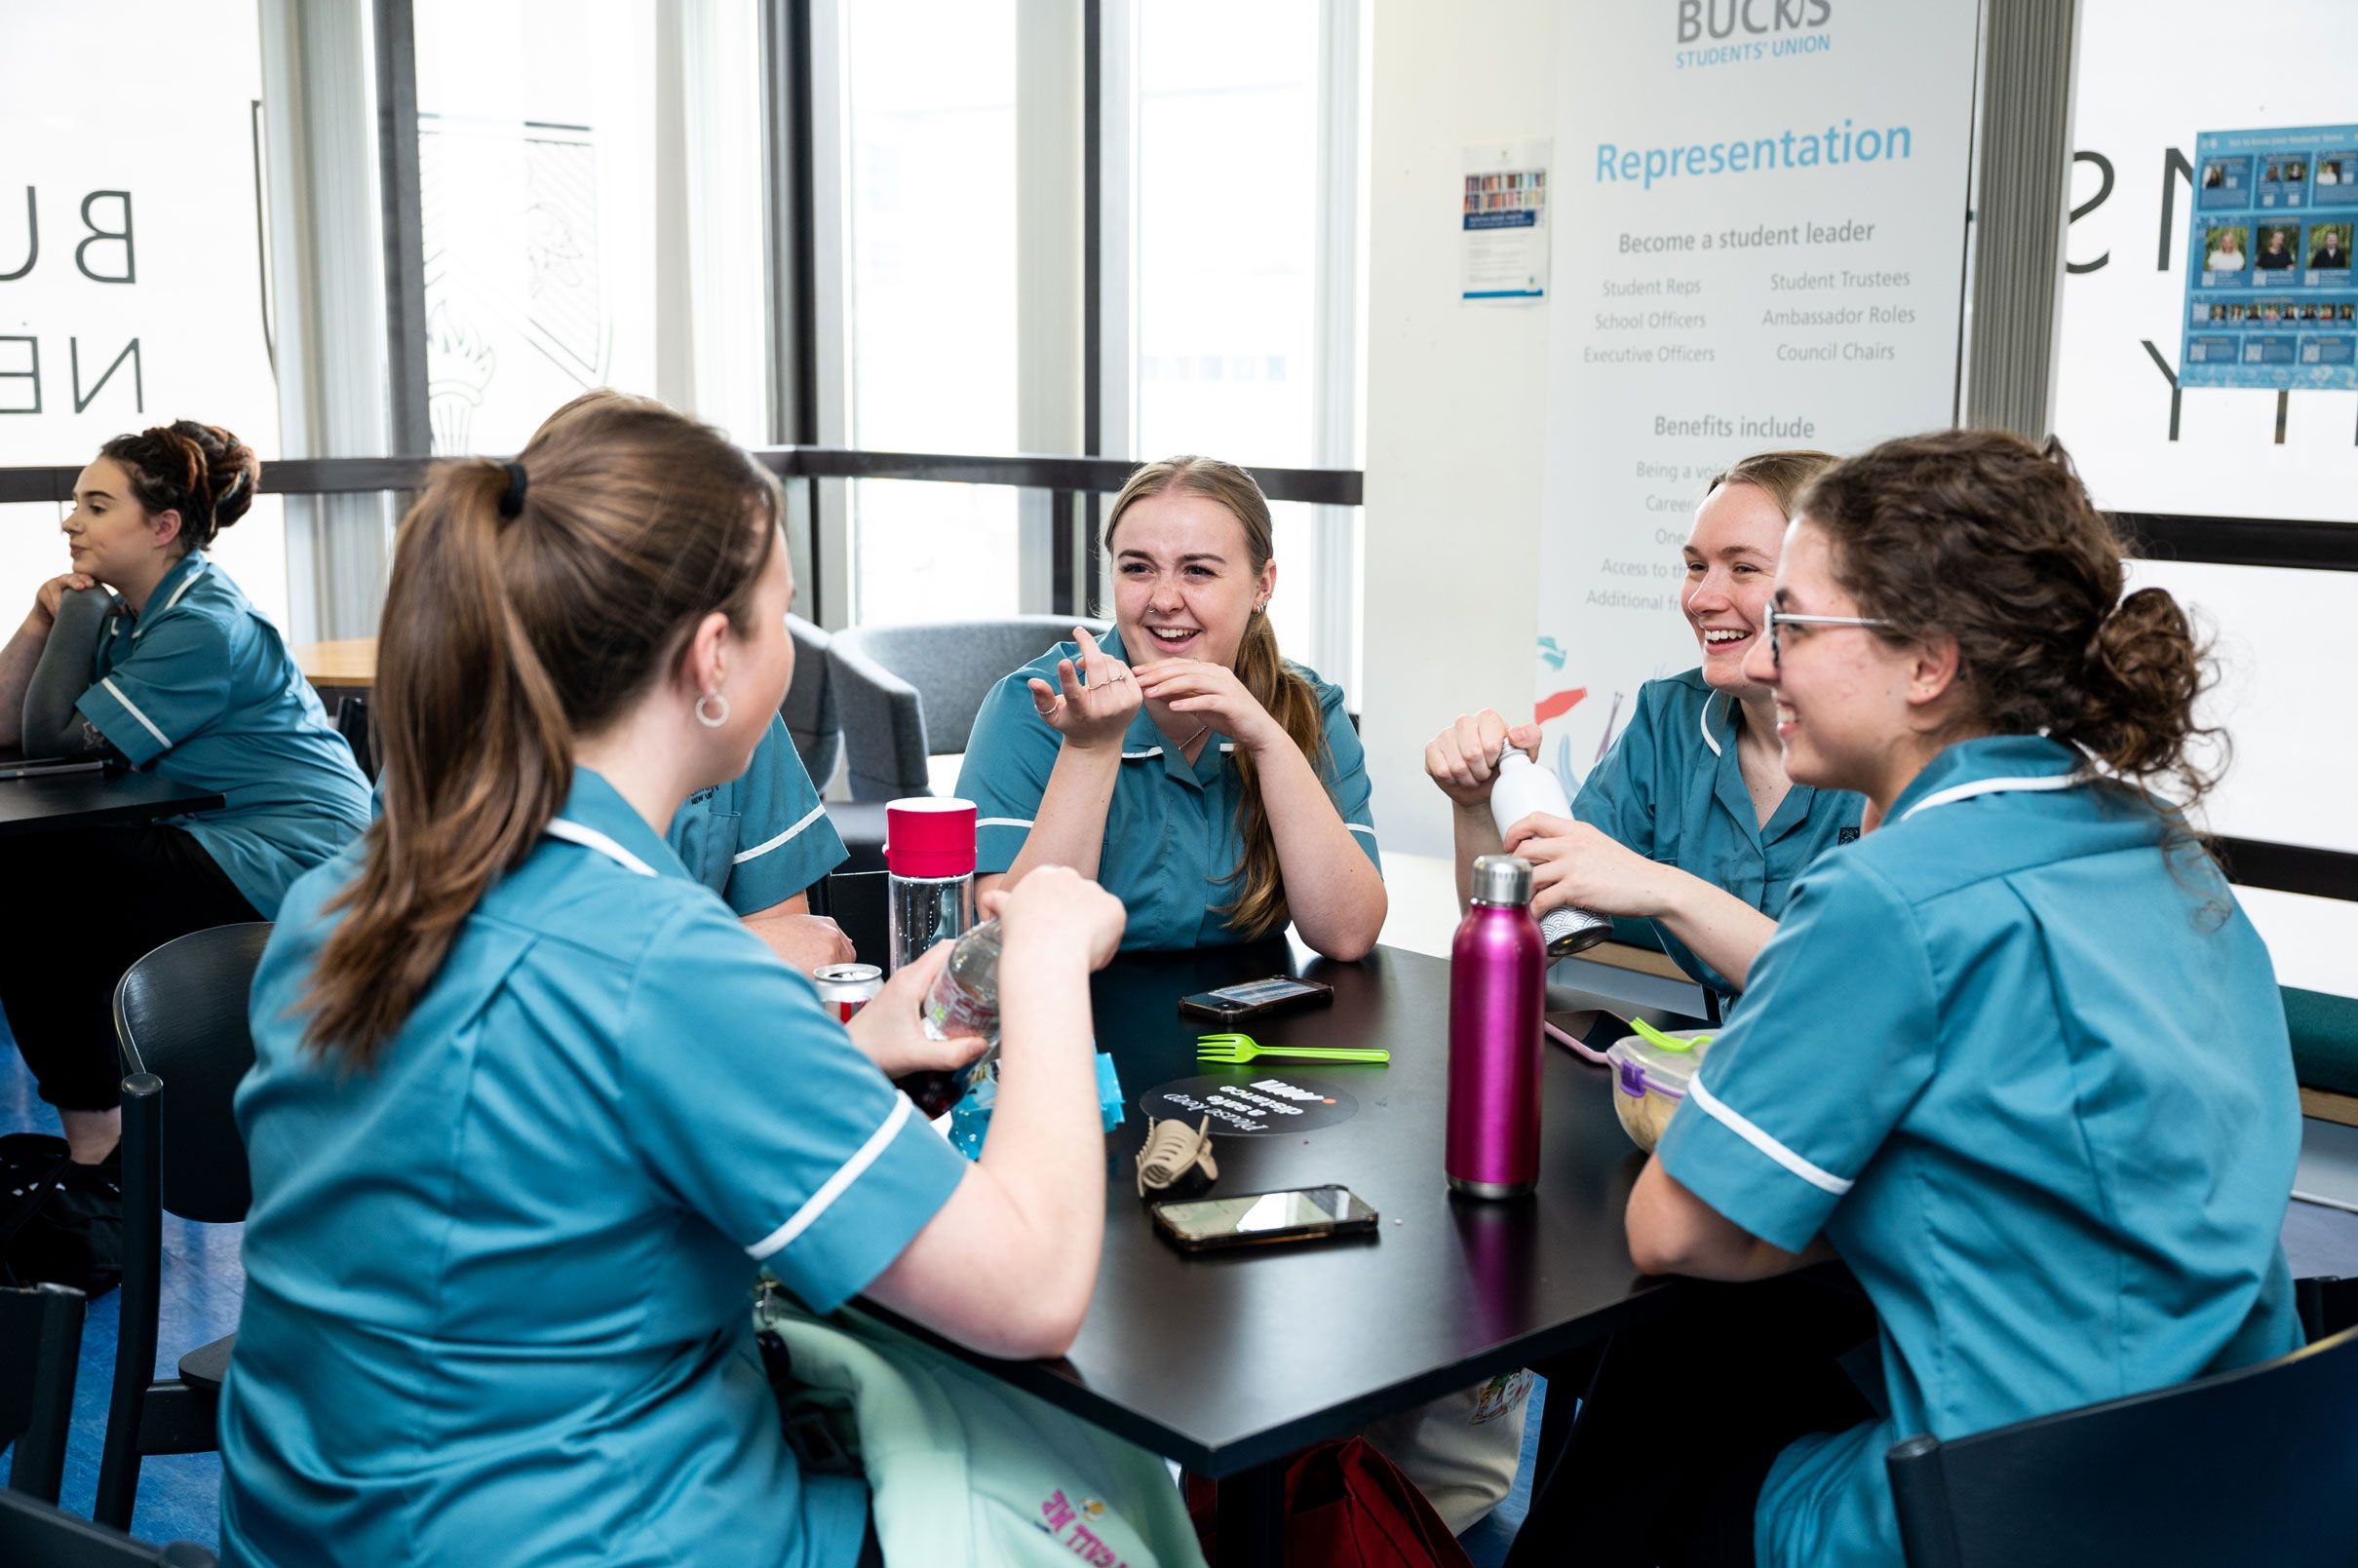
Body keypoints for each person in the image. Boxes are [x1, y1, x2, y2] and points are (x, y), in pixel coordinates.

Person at [219, 395, 1128, 1566]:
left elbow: (543, 1164)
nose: (791, 645)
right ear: (711, 658)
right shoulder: (668, 964)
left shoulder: (347, 898)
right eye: (782, 616)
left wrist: (843, 1058)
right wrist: (1047, 950)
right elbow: (1034, 1289)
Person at [1512, 430, 2301, 1567]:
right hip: (2235, 1458)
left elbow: (1675, 1227)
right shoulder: (2156, 841)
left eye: (1795, 621)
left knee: (1664, 1411)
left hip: (2019, 1503)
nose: (1768, 659)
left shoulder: (1886, 897)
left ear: (1927, 664)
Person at [0, 422, 370, 1280]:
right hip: (207, 832)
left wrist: (79, 613)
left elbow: (54, 735)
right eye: (76, 504)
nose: (71, 523)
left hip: (295, 853)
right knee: (42, 889)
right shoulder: (130, 612)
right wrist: (40, 616)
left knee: (34, 883)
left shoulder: (203, 620)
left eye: (97, 505)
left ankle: (104, 1165)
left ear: (162, 526)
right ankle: (102, 1153)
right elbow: (10, 727)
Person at [1426, 451, 1864, 1013]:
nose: (1702, 600)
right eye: (1696, 566)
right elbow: (1520, 944)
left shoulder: (1889, 755)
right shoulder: (1672, 719)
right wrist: (1475, 806)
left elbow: (1854, 989)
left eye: (1744, 568)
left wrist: (1661, 887)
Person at [961, 455, 1385, 960]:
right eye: (1137, 568)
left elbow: (1346, 934)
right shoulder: (1031, 706)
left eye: (1198, 571)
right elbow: (1015, 946)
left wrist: (1268, 742)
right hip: (1070, 1019)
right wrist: (1090, 749)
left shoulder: (1310, 707)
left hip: (1246, 1029)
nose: (1164, 599)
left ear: (1262, 585)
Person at [534, 391, 852, 972]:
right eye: (782, 616)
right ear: (713, 655)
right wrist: (727, 958)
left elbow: (793, 944)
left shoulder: (742, 735)